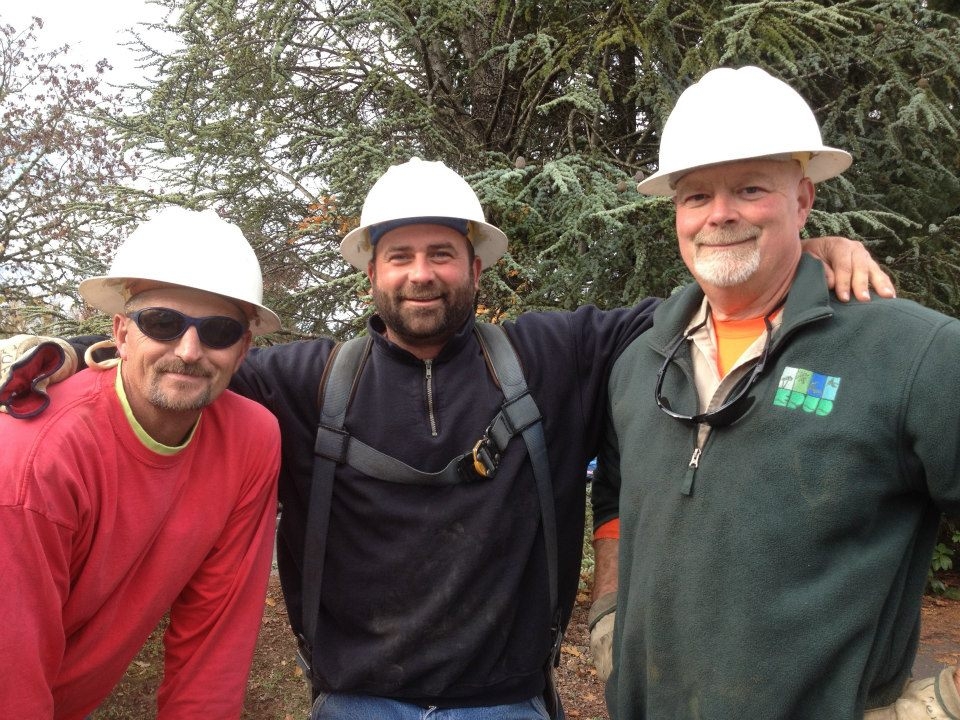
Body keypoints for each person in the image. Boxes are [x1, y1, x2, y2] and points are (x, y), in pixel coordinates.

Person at [3, 160, 891, 719]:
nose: (421, 273)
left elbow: (703, 302)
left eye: (441, 253)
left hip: (507, 705)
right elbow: (171, 367)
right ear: (372, 271)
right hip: (355, 704)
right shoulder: (304, 380)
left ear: (476, 265)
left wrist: (811, 254)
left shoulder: (557, 353)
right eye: (400, 255)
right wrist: (56, 359)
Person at [591, 65, 960, 720]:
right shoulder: (641, 364)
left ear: (803, 200)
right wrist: (609, 621)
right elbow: (617, 494)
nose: (720, 214)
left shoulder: (911, 355)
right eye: (696, 195)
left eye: (750, 188)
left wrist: (940, 704)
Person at [0, 207, 283, 719]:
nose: (190, 350)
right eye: (163, 323)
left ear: (243, 350)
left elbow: (214, 644)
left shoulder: (250, 440)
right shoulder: (35, 459)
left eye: (218, 331)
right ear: (121, 331)